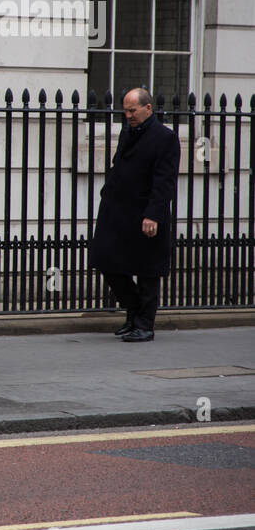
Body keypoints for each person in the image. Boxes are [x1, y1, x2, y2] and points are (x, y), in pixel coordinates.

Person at [89, 87, 180, 342]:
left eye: (133, 110)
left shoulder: (165, 138)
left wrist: (153, 215)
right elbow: (120, 164)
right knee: (106, 259)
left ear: (148, 108)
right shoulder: (128, 131)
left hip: (145, 211)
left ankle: (144, 324)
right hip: (117, 208)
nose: (128, 115)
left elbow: (164, 181)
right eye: (126, 110)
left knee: (147, 269)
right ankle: (133, 311)